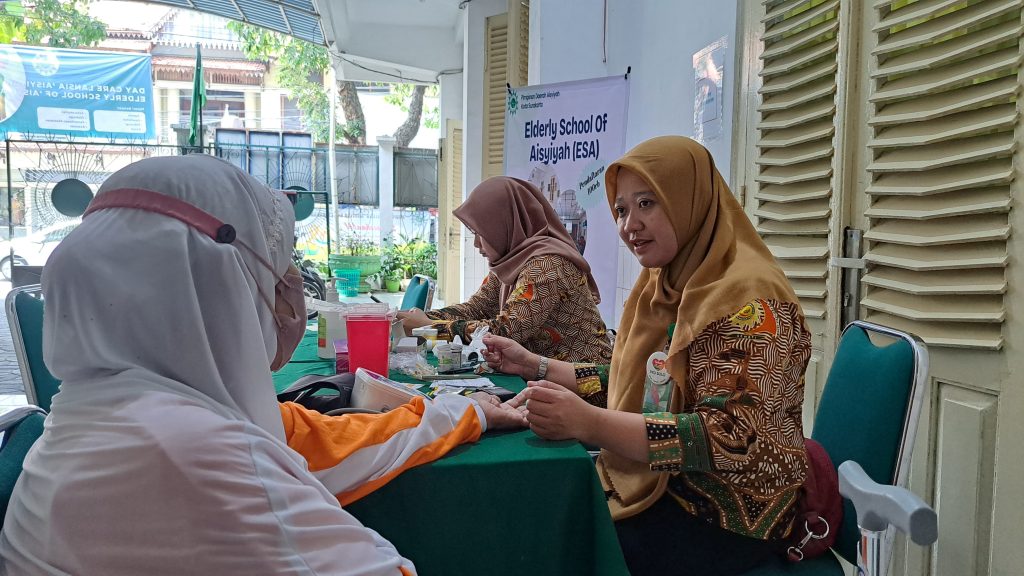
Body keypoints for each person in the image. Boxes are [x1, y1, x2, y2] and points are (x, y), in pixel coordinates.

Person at [0, 154, 525, 575]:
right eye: (276, 270)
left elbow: (307, 442)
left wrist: (463, 415)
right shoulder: (191, 450)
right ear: (217, 288)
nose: (289, 293)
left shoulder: (91, 413)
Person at [484, 136, 810, 575]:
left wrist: (589, 422)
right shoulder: (663, 287)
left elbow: (729, 438)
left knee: (561, 544)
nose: (629, 225)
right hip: (658, 481)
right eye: (621, 210)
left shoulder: (749, 300)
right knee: (534, 506)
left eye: (647, 203)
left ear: (688, 200)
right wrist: (535, 366)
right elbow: (632, 380)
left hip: (729, 510)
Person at [398, 176, 612, 364]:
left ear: (505, 226)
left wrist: (431, 328)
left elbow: (507, 331)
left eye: (481, 233)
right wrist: (415, 319)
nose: (477, 244)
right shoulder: (511, 261)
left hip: (585, 384)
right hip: (544, 378)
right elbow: (477, 308)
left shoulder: (547, 265)